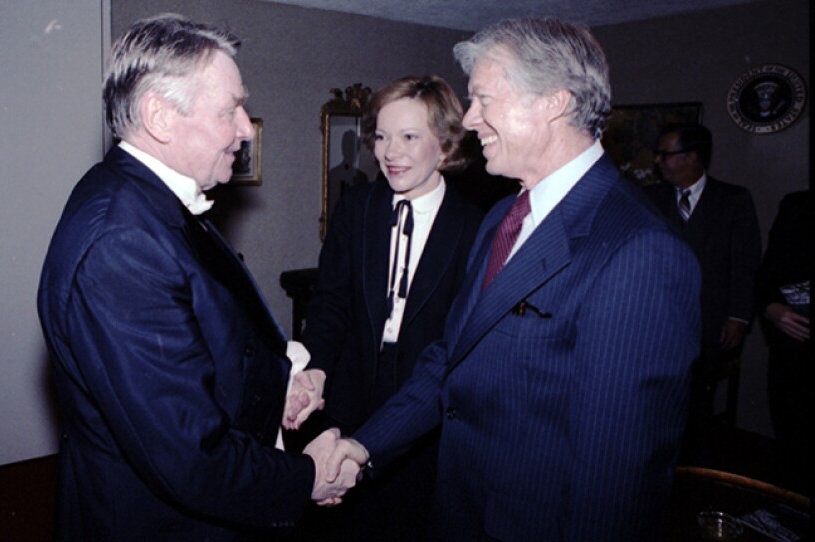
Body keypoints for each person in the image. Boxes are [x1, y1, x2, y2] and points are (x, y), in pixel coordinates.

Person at [317, 17, 701, 540]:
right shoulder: (503, 218)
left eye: (483, 100)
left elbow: (616, 479)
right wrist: (363, 447)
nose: (470, 121)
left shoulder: (640, 251)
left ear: (553, 103)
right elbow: (451, 359)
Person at [37, 14, 357, 541]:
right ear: (159, 117)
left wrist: (282, 386)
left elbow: (211, 339)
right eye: (230, 108)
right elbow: (189, 456)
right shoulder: (122, 243)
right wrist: (309, 478)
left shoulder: (147, 198)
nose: (244, 128)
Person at [284, 75, 483, 541]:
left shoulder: (475, 228)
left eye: (409, 137)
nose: (389, 152)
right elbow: (331, 304)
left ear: (447, 145)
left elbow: (454, 350)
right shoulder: (356, 208)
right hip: (350, 404)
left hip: (426, 422)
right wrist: (314, 371)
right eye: (381, 136)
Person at [644, 123, 761, 464]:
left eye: (666, 154)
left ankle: (693, 472)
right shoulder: (649, 199)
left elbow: (744, 263)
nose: (658, 161)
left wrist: (738, 316)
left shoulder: (733, 200)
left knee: (697, 408)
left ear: (692, 157)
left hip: (707, 325)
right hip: (654, 325)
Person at [756, 190, 811, 495]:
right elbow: (767, 276)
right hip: (794, 356)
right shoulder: (797, 206)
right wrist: (772, 308)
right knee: (792, 452)